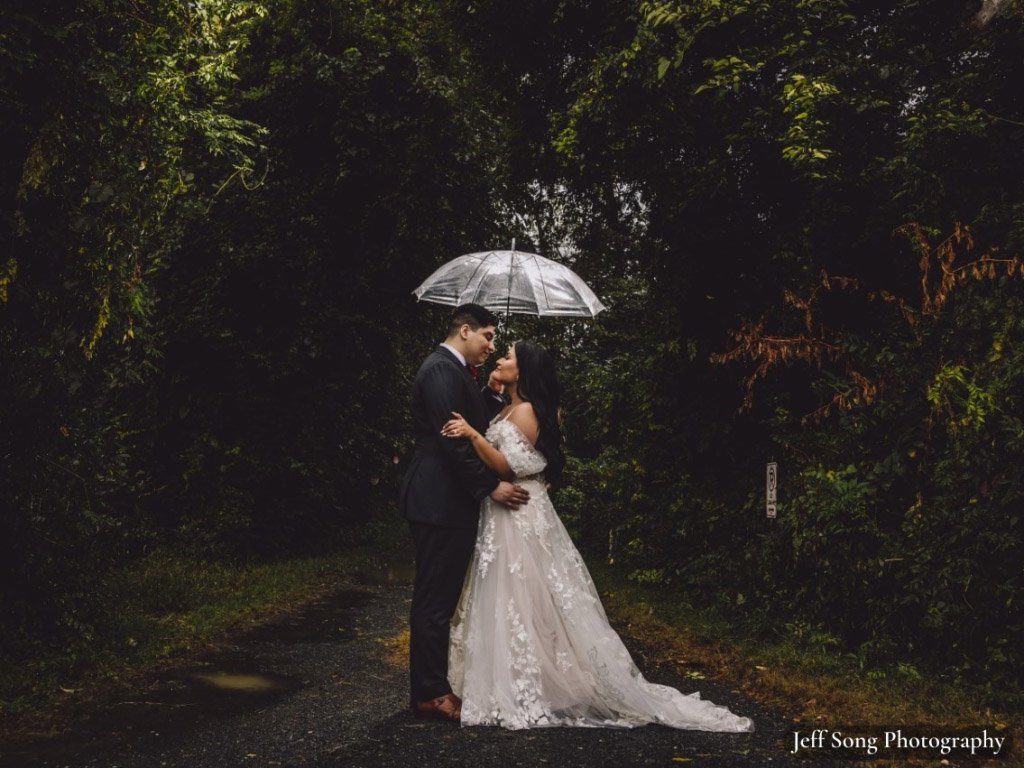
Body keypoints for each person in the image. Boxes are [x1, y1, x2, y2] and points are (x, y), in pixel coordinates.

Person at [441, 340, 754, 732]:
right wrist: (492, 396)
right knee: (513, 596)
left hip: (519, 513)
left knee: (525, 595)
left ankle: (529, 684)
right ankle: (508, 677)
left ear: (523, 370)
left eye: (507, 356)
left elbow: (506, 466)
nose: (500, 359)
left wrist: (472, 434)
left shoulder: (525, 411)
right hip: (508, 512)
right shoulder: (510, 405)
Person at [399, 304, 531, 723]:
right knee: (434, 599)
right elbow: (449, 440)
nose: (491, 347)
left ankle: (434, 686)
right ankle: (430, 693)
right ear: (466, 330)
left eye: (495, 341)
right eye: (488, 337)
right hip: (438, 499)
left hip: (447, 499)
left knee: (442, 595)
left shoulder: (453, 371)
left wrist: (492, 393)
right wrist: (490, 486)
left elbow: (470, 423)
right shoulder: (440, 369)